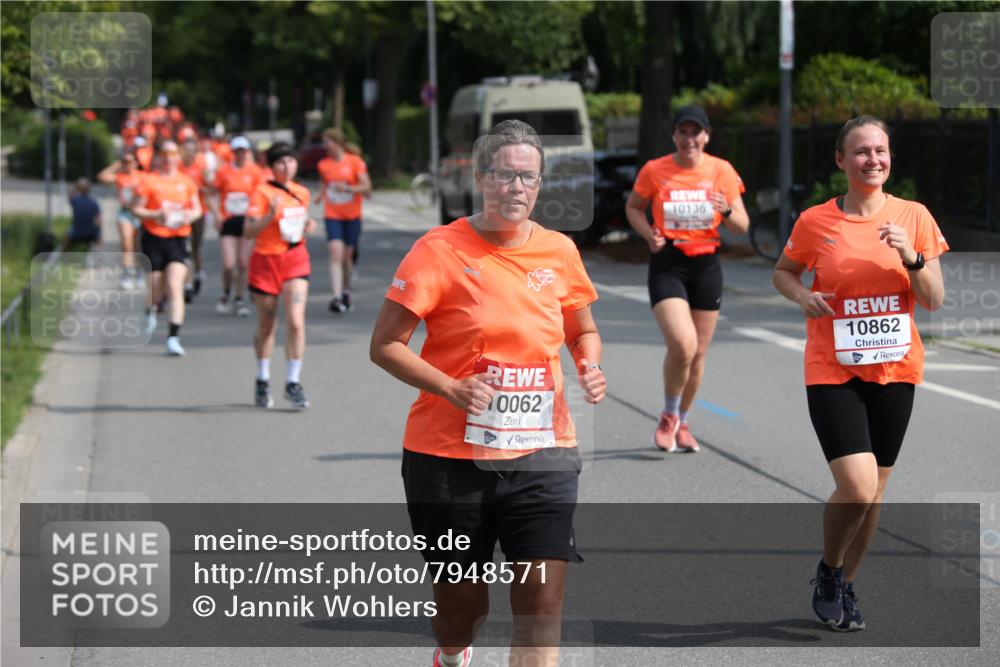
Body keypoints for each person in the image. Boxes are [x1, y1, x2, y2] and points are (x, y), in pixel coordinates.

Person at [370, 120, 606, 667]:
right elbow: (386, 346)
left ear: (541, 183)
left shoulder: (559, 251)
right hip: (447, 459)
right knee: (461, 609)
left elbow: (582, 329)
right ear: (480, 178)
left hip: (543, 451)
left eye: (528, 176)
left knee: (541, 606)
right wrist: (449, 386)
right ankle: (452, 652)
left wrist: (589, 365)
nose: (516, 187)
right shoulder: (438, 249)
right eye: (504, 175)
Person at [773, 115, 947, 631]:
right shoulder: (815, 222)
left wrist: (911, 257)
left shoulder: (913, 216)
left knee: (875, 492)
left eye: (881, 150)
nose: (873, 160)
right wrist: (803, 295)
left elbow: (934, 300)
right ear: (841, 161)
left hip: (896, 369)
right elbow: (783, 272)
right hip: (833, 367)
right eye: (861, 152)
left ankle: (845, 585)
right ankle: (829, 570)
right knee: (856, 484)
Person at [624, 105, 749, 453]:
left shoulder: (721, 171)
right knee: (683, 344)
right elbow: (633, 207)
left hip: (707, 264)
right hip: (668, 262)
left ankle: (683, 419)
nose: (689, 139)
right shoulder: (656, 170)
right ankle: (668, 415)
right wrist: (649, 233)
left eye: (696, 132)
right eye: (683, 132)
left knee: (699, 354)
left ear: (706, 136)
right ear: (674, 135)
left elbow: (742, 225)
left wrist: (724, 208)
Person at [244, 143, 316, 410]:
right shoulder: (262, 193)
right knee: (268, 324)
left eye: (291, 161)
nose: (287, 167)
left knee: (296, 323)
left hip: (295, 259)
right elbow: (249, 231)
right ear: (272, 167)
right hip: (265, 261)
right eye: (281, 163)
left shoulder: (302, 192)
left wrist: (308, 225)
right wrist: (269, 216)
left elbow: (298, 226)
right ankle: (262, 377)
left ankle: (293, 382)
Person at [132, 140, 203, 356]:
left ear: (178, 157)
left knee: (174, 286)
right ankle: (148, 309)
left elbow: (197, 208)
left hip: (178, 239)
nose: (169, 157)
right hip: (153, 237)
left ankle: (173, 337)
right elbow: (136, 209)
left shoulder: (187, 182)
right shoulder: (149, 181)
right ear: (159, 157)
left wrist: (191, 215)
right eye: (164, 153)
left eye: (173, 153)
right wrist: (156, 215)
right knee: (155, 288)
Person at [315, 127, 371, 313]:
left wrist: (347, 189)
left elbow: (367, 187)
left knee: (347, 256)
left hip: (352, 215)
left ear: (337, 142)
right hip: (333, 215)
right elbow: (324, 182)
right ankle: (337, 296)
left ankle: (345, 289)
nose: (324, 146)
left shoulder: (355, 162)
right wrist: (321, 194)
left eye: (327, 142)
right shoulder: (323, 164)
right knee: (335, 251)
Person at [211, 136, 263, 317]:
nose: (241, 154)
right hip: (228, 221)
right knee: (229, 264)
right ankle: (226, 292)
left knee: (243, 262)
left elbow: (262, 195)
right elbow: (211, 194)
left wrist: (259, 216)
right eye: (238, 151)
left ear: (248, 152)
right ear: (233, 153)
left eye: (244, 151)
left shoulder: (255, 172)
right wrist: (216, 214)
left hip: (248, 221)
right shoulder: (224, 171)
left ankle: (239, 298)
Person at [98, 153, 146, 289]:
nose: (128, 164)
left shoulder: (142, 176)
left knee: (138, 245)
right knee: (127, 244)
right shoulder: (120, 177)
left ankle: (138, 272)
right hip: (125, 213)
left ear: (136, 163)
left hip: (140, 213)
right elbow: (102, 176)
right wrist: (116, 165)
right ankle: (126, 274)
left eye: (130, 162)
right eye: (125, 162)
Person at [179, 137, 209, 301]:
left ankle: (199, 272)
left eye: (192, 151)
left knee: (196, 247)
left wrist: (200, 188)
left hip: (198, 212)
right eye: (186, 150)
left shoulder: (200, 168)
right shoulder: (178, 168)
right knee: (186, 248)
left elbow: (210, 188)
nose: (189, 154)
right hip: (183, 214)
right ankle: (188, 284)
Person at [64, 178, 102, 252]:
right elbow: (98, 222)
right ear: (89, 189)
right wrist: (99, 236)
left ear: (78, 189)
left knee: (67, 234)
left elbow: (70, 196)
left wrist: (75, 186)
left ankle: (64, 256)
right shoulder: (94, 203)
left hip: (76, 233)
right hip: (91, 234)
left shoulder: (75, 201)